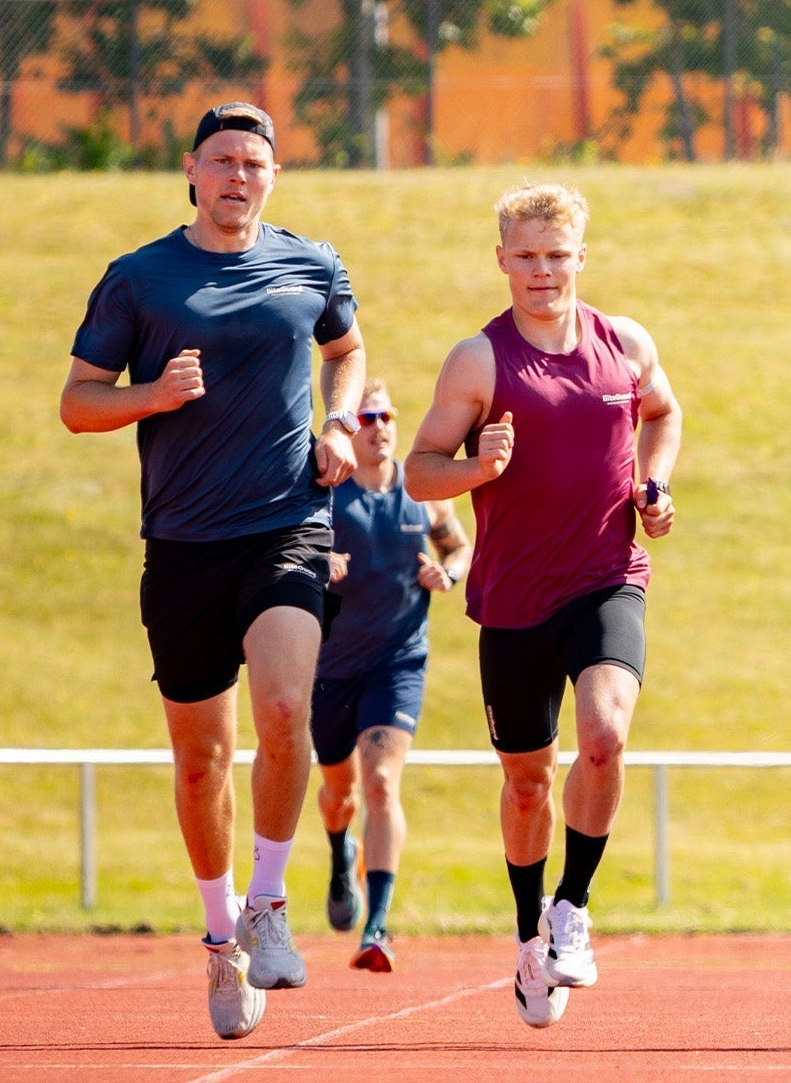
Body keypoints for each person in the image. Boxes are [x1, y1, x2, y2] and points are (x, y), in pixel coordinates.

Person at [59, 102, 365, 1041]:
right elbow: (77, 404)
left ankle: (270, 904)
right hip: (183, 543)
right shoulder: (140, 279)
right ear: (192, 171)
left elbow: (345, 353)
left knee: (283, 712)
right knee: (199, 763)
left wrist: (341, 421)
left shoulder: (312, 263)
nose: (239, 175)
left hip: (286, 526)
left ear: (274, 176)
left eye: (256, 163)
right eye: (223, 160)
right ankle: (219, 938)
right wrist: (152, 395)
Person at [405, 182, 680, 1030]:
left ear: (581, 259)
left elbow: (663, 415)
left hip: (606, 577)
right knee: (528, 783)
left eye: (556, 256)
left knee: (604, 734)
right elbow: (419, 472)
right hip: (514, 599)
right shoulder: (478, 360)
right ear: (501, 261)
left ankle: (573, 908)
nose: (542, 271)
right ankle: (529, 938)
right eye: (525, 256)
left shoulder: (624, 343)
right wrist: (478, 471)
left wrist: (654, 484)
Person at [311, 378, 472, 974]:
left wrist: (447, 574)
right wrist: (318, 562)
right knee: (339, 794)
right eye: (367, 418)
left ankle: (377, 927)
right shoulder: (327, 493)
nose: (379, 427)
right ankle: (337, 853)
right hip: (329, 668)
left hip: (398, 662)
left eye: (386, 417)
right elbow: (288, 551)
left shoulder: (422, 492)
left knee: (380, 783)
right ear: (351, 428)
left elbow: (460, 547)